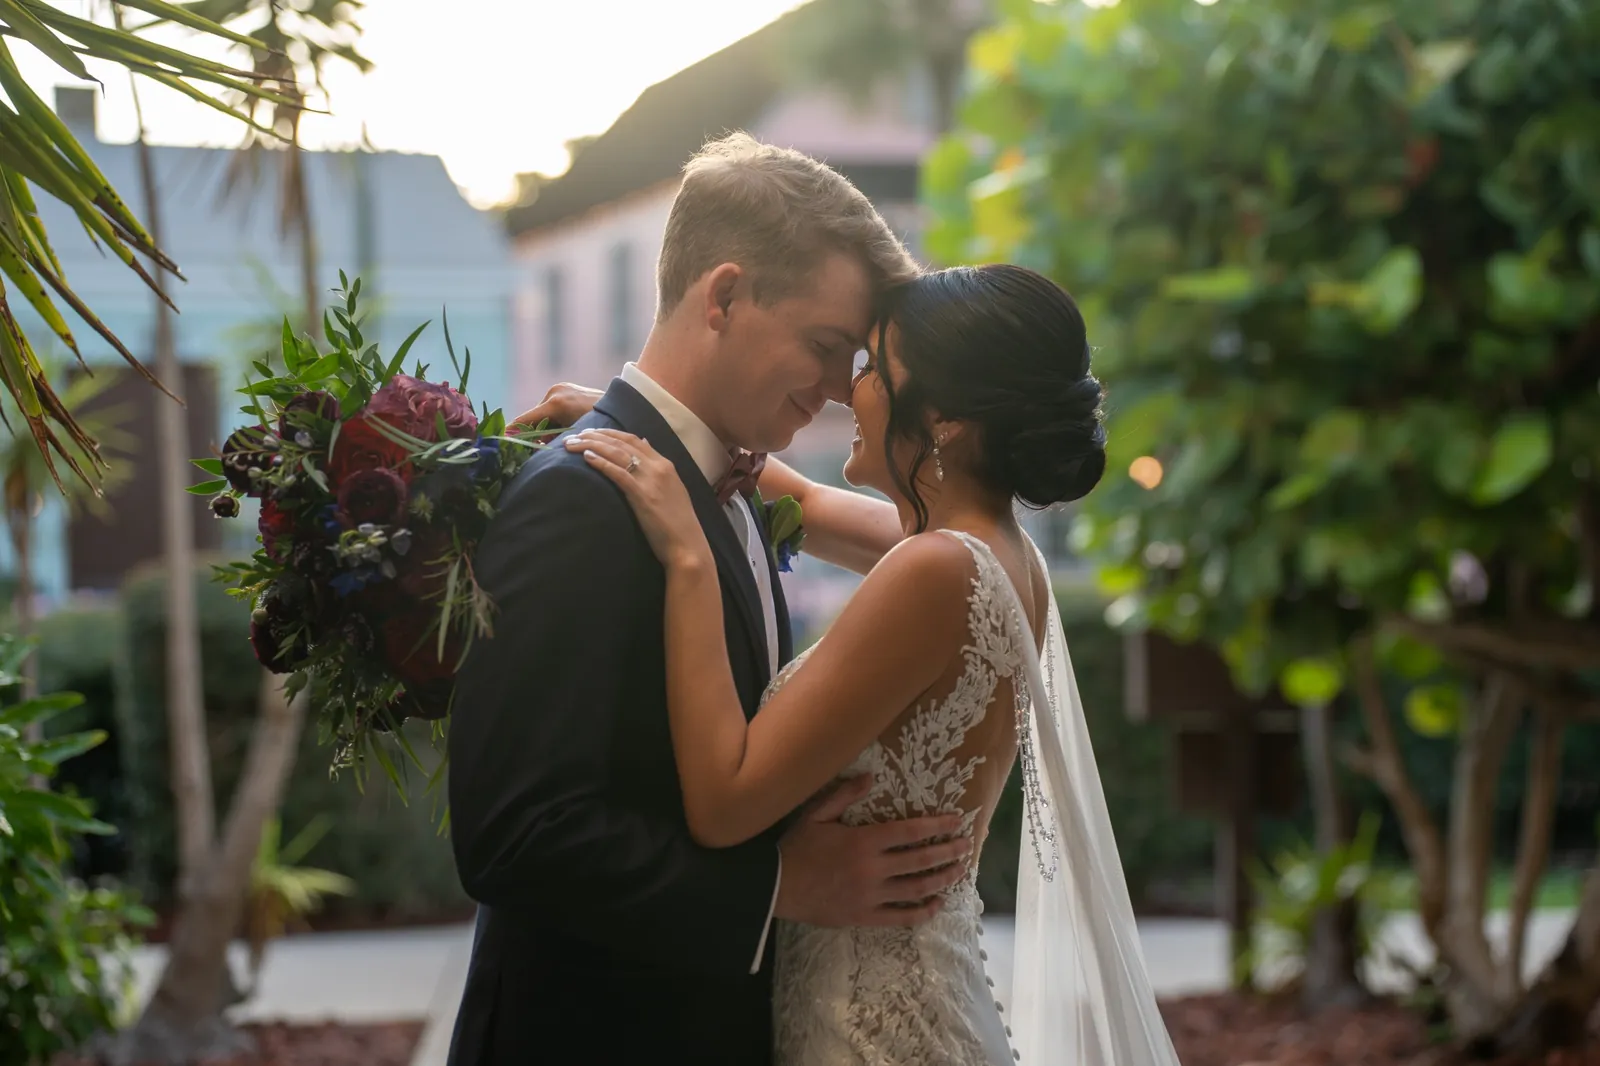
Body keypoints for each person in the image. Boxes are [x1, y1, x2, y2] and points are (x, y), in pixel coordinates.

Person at [556, 263, 1184, 1064]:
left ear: (945, 420)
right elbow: (807, 504)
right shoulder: (997, 553)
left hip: (873, 1034)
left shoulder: (935, 571)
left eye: (874, 371)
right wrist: (642, 418)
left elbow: (723, 802)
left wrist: (688, 558)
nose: (846, 394)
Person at [445, 133, 975, 1066]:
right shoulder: (580, 501)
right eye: (826, 348)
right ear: (723, 297)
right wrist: (777, 886)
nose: (841, 394)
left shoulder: (725, 487)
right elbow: (513, 836)